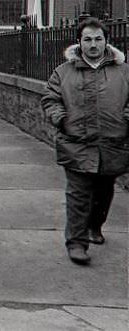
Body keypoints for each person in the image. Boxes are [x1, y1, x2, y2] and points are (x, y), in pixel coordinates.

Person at [40, 17, 129, 265]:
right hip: (76, 142)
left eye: (98, 39)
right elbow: (50, 99)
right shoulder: (63, 72)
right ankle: (77, 243)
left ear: (106, 42)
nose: (93, 44)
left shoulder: (123, 72)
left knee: (104, 192)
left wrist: (125, 119)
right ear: (79, 42)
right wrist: (60, 118)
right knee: (78, 195)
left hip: (112, 144)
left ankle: (95, 227)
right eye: (87, 39)